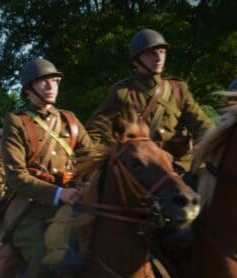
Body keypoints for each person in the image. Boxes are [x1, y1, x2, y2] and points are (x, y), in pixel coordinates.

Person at [1, 58, 93, 278]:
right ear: (29, 90)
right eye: (43, 81)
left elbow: (91, 158)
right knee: (43, 259)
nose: (51, 85)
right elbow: (16, 176)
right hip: (31, 211)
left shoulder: (70, 120)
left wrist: (84, 185)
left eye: (54, 80)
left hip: (74, 205)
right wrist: (57, 192)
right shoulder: (16, 122)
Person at [86, 28, 213, 171]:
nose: (159, 58)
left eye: (162, 52)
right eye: (151, 53)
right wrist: (111, 160)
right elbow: (94, 132)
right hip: (142, 171)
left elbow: (204, 126)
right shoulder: (122, 92)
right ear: (136, 61)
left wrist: (202, 152)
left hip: (178, 168)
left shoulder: (177, 89)